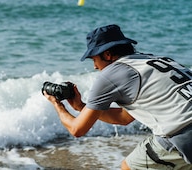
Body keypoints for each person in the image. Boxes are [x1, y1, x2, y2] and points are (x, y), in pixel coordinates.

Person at [43, 24, 192, 169]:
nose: (95, 66)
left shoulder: (111, 74)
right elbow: (123, 118)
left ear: (107, 54)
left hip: (182, 134)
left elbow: (77, 130)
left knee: (128, 166)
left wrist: (57, 105)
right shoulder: (155, 60)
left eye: (94, 59)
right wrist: (82, 106)